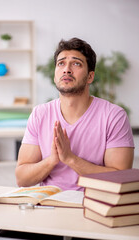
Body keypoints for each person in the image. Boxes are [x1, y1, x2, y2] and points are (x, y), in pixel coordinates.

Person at [15, 38, 134, 191]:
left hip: (93, 206)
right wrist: (52, 160)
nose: (67, 69)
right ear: (55, 75)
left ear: (90, 77)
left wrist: (70, 159)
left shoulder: (114, 116)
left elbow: (121, 179)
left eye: (76, 63)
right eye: (61, 63)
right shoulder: (40, 114)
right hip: (49, 205)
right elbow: (22, 178)